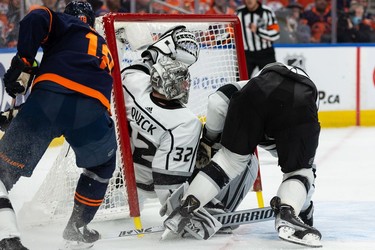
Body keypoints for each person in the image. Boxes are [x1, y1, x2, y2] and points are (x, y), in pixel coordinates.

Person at [163, 62, 322, 248]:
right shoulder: (307, 97)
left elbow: (216, 102)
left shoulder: (252, 83)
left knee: (228, 161)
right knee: (300, 172)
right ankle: (287, 213)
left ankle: (187, 206)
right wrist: (304, 210)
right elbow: (304, 171)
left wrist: (209, 139)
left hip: (252, 98)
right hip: (297, 103)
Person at [0, 1, 116, 249]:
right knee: (102, 164)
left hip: (50, 100)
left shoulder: (67, 23)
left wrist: (23, 59)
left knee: (2, 172)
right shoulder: (103, 46)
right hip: (93, 111)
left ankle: (6, 236)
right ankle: (77, 227)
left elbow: (37, 16)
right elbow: (79, 93)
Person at [236, 0, 280, 78]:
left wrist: (258, 31)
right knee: (240, 81)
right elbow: (230, 31)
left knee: (271, 80)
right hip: (246, 54)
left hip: (265, 53)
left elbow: (275, 34)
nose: (249, 1)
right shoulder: (238, 13)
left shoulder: (267, 12)